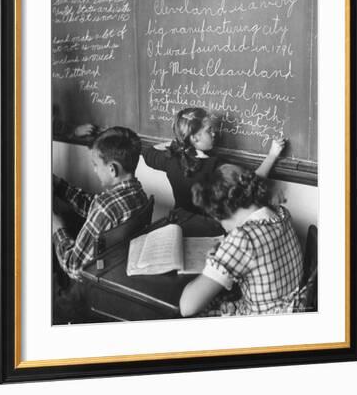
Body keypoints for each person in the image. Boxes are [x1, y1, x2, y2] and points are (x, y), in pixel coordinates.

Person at [179, 164, 303, 317]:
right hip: (289, 311)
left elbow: (187, 307)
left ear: (220, 211)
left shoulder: (243, 239)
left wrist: (211, 265)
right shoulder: (281, 214)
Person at [142, 107, 285, 213]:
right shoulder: (214, 166)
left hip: (180, 226)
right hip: (208, 230)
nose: (214, 133)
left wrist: (180, 141)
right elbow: (252, 182)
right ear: (194, 137)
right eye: (209, 130)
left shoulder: (171, 159)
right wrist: (272, 155)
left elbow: (149, 152)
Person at [52, 126, 149, 280]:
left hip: (96, 281)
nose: (95, 170)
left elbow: (73, 267)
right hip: (118, 267)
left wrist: (57, 228)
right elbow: (94, 206)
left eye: (96, 165)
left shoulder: (105, 208)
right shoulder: (139, 193)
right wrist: (60, 185)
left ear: (112, 169)